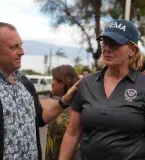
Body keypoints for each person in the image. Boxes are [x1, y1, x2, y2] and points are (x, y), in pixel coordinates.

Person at [0, 22, 78, 160]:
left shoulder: (25, 83)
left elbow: (41, 118)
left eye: (21, 45)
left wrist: (64, 102)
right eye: (14, 47)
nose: (22, 52)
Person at [59, 19, 145, 160]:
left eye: (115, 44)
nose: (107, 48)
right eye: (105, 42)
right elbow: (72, 133)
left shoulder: (142, 85)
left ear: (132, 50)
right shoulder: (86, 83)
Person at [45, 65, 80, 160]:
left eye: (53, 80)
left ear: (62, 83)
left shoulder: (73, 110)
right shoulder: (62, 105)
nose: (51, 84)